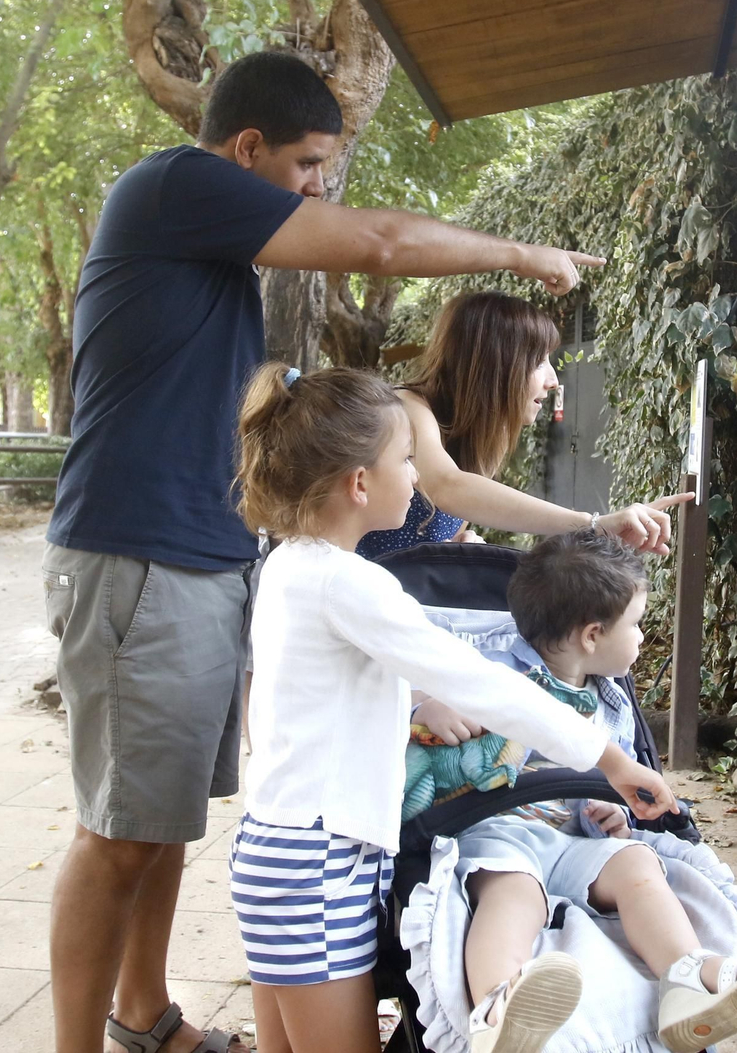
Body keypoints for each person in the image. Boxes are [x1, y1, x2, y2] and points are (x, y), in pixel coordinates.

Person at [42, 50, 607, 1053]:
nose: (316, 193)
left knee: (162, 817)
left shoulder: (209, 250)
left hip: (199, 559)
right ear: (248, 149)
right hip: (139, 557)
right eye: (307, 167)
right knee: (118, 829)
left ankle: (144, 1016)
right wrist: (522, 255)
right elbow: (380, 243)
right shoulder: (176, 186)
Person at [227, 365, 677, 1053]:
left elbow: (329, 685)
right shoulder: (350, 583)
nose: (417, 476)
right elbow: (478, 681)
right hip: (319, 859)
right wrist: (610, 757)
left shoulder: (292, 566)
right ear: (359, 484)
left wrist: (414, 700)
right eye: (405, 460)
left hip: (280, 845)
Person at [410, 531, 737, 1053]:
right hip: (496, 833)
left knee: (639, 864)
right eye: (636, 625)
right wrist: (422, 705)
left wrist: (615, 814)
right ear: (592, 634)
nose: (643, 637)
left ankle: (690, 978)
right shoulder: (491, 670)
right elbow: (401, 677)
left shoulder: (609, 701)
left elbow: (621, 789)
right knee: (513, 893)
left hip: (574, 842)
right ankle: (499, 1008)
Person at [358, 290, 691, 560]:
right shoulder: (406, 408)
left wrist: (457, 545)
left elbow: (447, 515)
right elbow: (446, 486)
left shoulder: (484, 435)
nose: (552, 380)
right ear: (494, 364)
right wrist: (593, 524)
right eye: (538, 361)